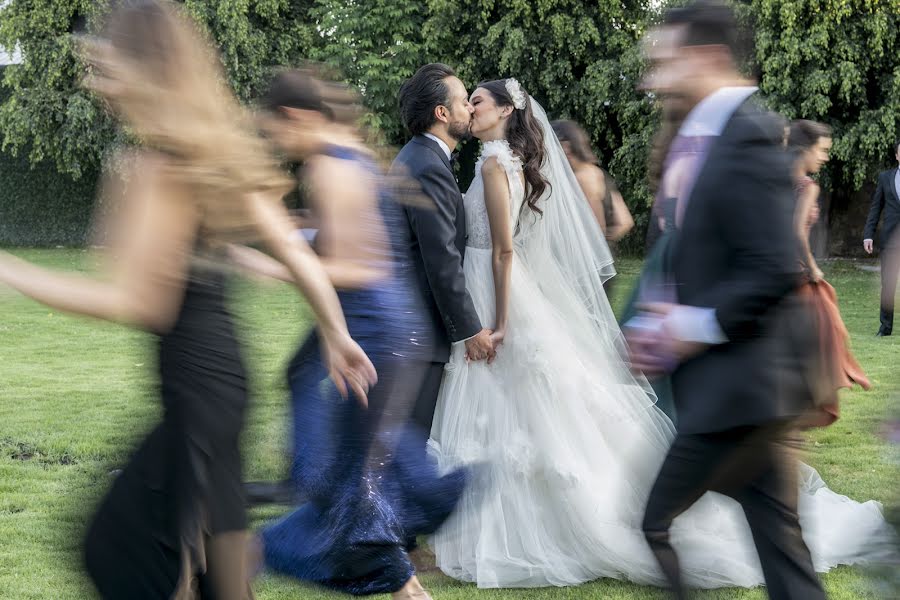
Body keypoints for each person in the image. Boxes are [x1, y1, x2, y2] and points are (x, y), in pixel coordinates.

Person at [0, 2, 376, 598]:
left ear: (144, 69)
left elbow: (141, 303)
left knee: (123, 549)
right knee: (217, 573)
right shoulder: (212, 158)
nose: (94, 81)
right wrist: (336, 333)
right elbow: (294, 249)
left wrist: (13, 270)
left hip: (196, 397)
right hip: (224, 388)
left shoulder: (158, 164)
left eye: (105, 65)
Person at [230, 69, 466, 600]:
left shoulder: (328, 167)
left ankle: (250, 555)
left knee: (347, 488)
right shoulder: (348, 154)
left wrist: (277, 267)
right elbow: (338, 233)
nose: (276, 145)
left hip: (371, 338)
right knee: (352, 484)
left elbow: (359, 268)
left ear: (295, 118)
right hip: (380, 335)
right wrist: (280, 232)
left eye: (273, 133)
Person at [389, 64, 494, 471]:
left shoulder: (423, 158)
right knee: (411, 445)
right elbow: (441, 258)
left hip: (409, 326)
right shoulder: (427, 166)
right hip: (416, 331)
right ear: (442, 114)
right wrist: (469, 329)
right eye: (462, 100)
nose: (470, 108)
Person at [788, 119, 871, 427]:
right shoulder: (807, 186)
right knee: (821, 348)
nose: (824, 157)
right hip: (795, 276)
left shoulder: (770, 182)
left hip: (772, 273)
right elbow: (797, 233)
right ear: (803, 149)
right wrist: (812, 269)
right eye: (821, 150)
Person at [551, 119, 634, 296]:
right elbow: (625, 221)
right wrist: (606, 245)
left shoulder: (582, 178)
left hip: (586, 266)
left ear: (566, 146)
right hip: (603, 261)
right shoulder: (597, 173)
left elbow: (594, 227)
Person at [862, 139, 900, 336]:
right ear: (897, 155)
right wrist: (868, 235)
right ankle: (885, 328)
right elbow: (876, 208)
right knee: (888, 285)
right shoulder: (885, 178)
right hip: (891, 243)